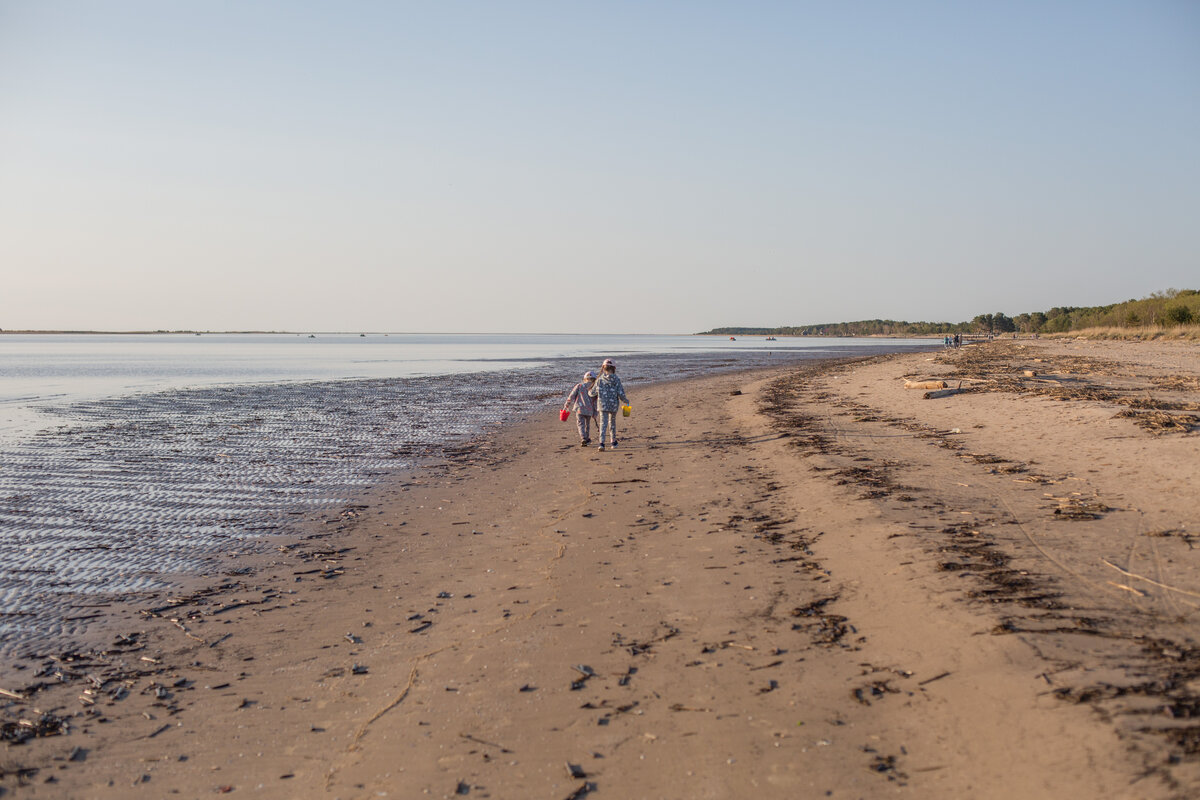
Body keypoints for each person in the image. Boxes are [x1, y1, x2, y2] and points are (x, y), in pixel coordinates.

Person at [588, 358, 629, 451]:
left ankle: (601, 443)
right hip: (613, 405)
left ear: (603, 367)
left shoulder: (599, 380)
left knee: (603, 424)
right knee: (612, 423)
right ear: (614, 368)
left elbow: (592, 393)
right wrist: (625, 401)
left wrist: (589, 392)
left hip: (602, 405)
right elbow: (621, 393)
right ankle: (613, 442)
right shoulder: (616, 379)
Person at [563, 371, 599, 446]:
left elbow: (571, 396)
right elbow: (596, 401)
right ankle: (587, 438)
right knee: (587, 425)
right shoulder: (594, 388)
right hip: (589, 410)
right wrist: (596, 412)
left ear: (585, 379)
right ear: (594, 379)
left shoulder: (579, 386)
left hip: (579, 409)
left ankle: (583, 438)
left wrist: (566, 405)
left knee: (580, 424)